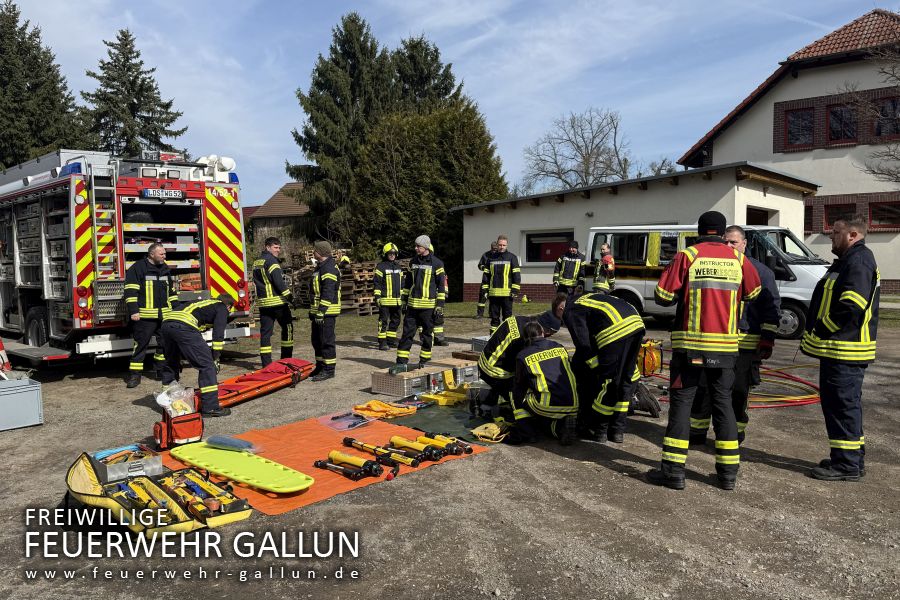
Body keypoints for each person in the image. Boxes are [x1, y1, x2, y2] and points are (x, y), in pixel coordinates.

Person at [646, 211, 761, 491]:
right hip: (725, 349)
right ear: (722, 233)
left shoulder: (687, 256)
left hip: (691, 348)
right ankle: (727, 474)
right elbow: (754, 293)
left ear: (699, 231)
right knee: (723, 404)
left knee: (682, 405)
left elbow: (662, 296)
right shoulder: (738, 259)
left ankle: (673, 472)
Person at [801, 216, 879, 481]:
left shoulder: (858, 261)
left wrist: (823, 327)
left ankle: (846, 465)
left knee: (841, 407)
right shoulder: (850, 260)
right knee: (845, 406)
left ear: (852, 235)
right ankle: (851, 458)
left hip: (845, 350)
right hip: (840, 350)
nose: (830, 237)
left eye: (835, 232)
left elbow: (851, 305)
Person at [689, 225, 781, 445]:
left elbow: (771, 308)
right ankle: (697, 430)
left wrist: (767, 339)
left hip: (744, 344)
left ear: (744, 244)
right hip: (714, 342)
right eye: (726, 241)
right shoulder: (713, 266)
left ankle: (734, 433)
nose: (729, 246)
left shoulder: (761, 272)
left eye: (733, 242)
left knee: (738, 390)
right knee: (703, 386)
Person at [564, 284, 646, 443]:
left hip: (615, 332)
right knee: (624, 381)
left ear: (561, 308)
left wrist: (595, 366)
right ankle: (617, 431)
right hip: (637, 325)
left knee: (608, 383)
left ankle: (600, 430)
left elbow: (583, 343)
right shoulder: (591, 299)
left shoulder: (570, 308)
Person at [476, 295, 567, 417]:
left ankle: (488, 398)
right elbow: (523, 365)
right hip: (494, 371)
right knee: (519, 395)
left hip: (485, 360)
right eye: (549, 335)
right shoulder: (528, 336)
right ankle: (491, 408)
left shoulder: (521, 320)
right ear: (546, 331)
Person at [159, 295, 232, 417]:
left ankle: (168, 401)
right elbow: (218, 333)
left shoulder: (203, 303)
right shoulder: (222, 307)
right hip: (183, 326)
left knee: (171, 362)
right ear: (228, 307)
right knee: (207, 366)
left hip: (166, 324)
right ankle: (210, 407)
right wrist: (215, 356)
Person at [511, 322, 579, 445]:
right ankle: (560, 429)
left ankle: (528, 433)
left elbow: (520, 385)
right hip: (573, 403)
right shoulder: (559, 347)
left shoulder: (523, 355)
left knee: (514, 393)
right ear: (542, 333)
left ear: (525, 338)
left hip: (546, 405)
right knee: (545, 422)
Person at [123, 243, 177, 388]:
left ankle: (160, 370)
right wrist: (134, 311)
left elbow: (171, 292)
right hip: (145, 317)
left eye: (165, 253)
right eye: (161, 254)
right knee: (140, 346)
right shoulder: (138, 268)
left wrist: (176, 309)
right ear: (151, 254)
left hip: (164, 316)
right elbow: (130, 291)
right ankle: (135, 375)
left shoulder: (165, 268)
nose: (164, 256)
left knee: (165, 345)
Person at [395, 236, 445, 368]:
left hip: (428, 308)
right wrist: (404, 300)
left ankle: (424, 361)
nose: (416, 248)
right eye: (416, 246)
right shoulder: (413, 262)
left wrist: (440, 305)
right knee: (407, 334)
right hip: (412, 306)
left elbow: (441, 286)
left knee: (427, 335)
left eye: (418, 246)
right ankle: (401, 362)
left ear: (426, 247)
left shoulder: (437, 263)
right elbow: (408, 283)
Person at [252, 237, 293, 367]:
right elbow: (279, 282)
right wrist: (290, 298)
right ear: (267, 247)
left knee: (265, 334)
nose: (278, 250)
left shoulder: (256, 262)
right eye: (275, 247)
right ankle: (286, 360)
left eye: (279, 247)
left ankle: (266, 364)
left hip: (264, 304)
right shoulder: (272, 261)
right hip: (277, 303)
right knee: (288, 328)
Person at [309, 240, 341, 381]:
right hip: (318, 312)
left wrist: (321, 311)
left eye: (315, 250)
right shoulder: (320, 267)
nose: (313, 252)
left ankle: (329, 369)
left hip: (327, 312)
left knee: (326, 341)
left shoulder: (329, 268)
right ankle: (320, 366)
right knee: (317, 340)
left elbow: (328, 292)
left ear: (320, 252)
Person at [482, 234, 521, 334]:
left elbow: (516, 275)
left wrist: (515, 290)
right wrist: (485, 290)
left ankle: (507, 338)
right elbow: (486, 276)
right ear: (497, 245)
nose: (502, 247)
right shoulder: (490, 258)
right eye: (500, 245)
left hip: (507, 294)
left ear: (507, 245)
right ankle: (493, 338)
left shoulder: (512, 257)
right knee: (494, 319)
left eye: (504, 245)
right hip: (493, 294)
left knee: (507, 318)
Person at [374, 243, 403, 351]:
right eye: (390, 253)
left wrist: (403, 297)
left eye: (394, 253)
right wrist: (377, 297)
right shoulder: (380, 267)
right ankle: (382, 342)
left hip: (397, 301)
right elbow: (377, 283)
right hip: (385, 300)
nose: (392, 255)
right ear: (385, 254)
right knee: (383, 321)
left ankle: (391, 339)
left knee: (396, 320)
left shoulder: (398, 267)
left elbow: (402, 283)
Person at [475, 241, 498, 318]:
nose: (494, 250)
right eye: (493, 249)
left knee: (493, 298)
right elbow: (479, 265)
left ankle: (492, 314)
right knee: (482, 297)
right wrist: (484, 268)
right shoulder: (485, 255)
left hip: (495, 281)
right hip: (486, 280)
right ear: (491, 248)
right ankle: (480, 314)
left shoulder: (500, 256)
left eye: (495, 249)